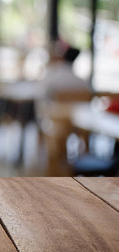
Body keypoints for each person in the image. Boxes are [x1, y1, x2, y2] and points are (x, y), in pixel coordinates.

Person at [37, 41, 92, 176]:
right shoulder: (81, 81)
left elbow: (40, 97)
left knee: (46, 117)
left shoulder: (51, 76)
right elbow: (89, 97)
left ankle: (56, 165)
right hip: (79, 124)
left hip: (56, 123)